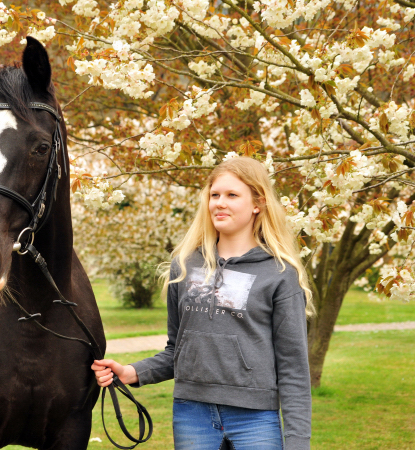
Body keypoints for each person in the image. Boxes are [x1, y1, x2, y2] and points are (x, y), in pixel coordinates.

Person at [92, 157, 315, 450]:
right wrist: (132, 372)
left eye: (232, 195)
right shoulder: (184, 266)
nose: (220, 203)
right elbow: (178, 348)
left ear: (257, 203)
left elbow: (293, 368)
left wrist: (298, 442)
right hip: (191, 413)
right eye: (215, 195)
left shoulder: (280, 274)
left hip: (254, 418)